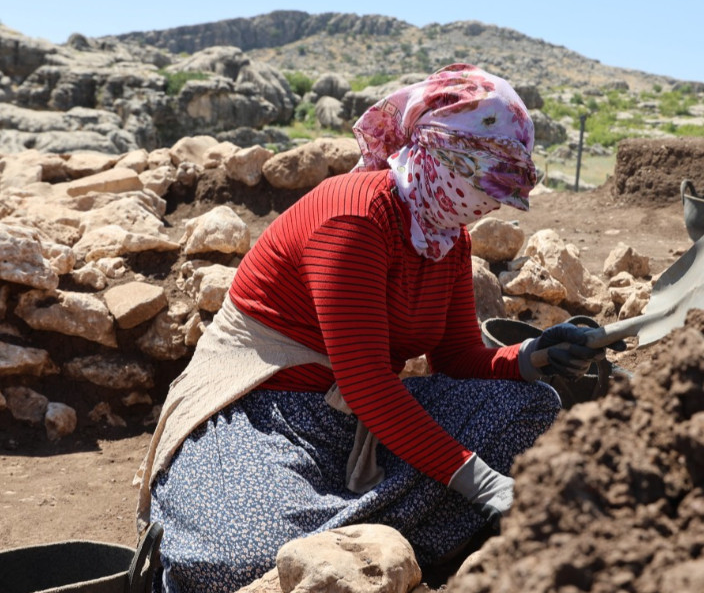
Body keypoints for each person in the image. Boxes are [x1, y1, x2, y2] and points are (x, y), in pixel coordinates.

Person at [135, 64, 612, 593]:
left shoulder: (447, 238)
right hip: (262, 409)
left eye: (503, 188)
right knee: (241, 557)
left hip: (356, 417)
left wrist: (533, 355)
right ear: (441, 154)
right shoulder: (357, 219)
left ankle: (359, 540)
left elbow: (456, 360)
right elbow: (367, 384)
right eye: (485, 179)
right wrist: (485, 485)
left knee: (533, 407)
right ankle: (390, 535)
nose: (494, 201)